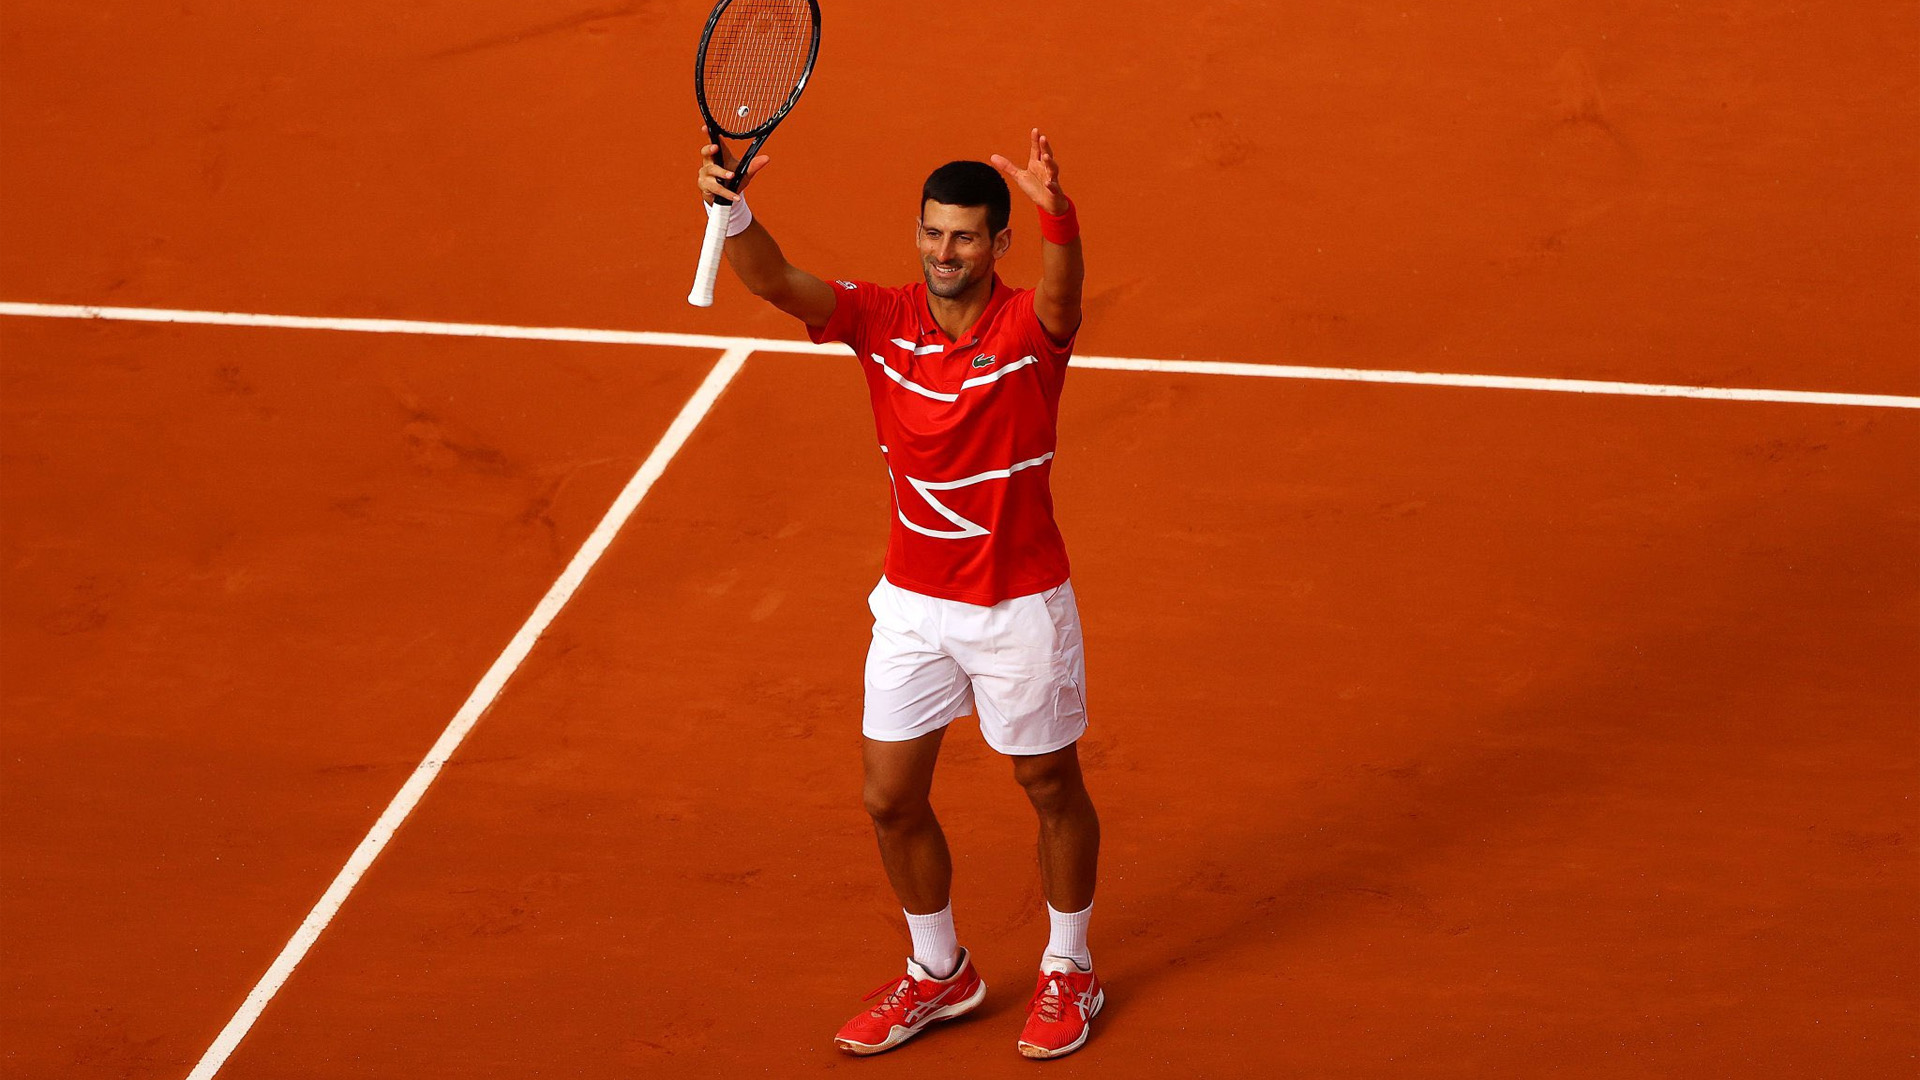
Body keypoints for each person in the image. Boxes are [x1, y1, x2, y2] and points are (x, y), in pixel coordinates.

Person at [695, 127, 1102, 1060]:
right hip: (915, 607)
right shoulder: (879, 319)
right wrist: (732, 207)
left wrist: (1059, 216)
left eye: (963, 238)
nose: (942, 253)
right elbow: (775, 280)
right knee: (888, 797)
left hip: (1018, 605)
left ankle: (1070, 966)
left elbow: (1064, 291)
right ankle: (940, 972)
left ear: (998, 244)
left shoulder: (1030, 335)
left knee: (1047, 783)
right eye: (930, 234)